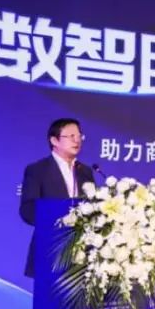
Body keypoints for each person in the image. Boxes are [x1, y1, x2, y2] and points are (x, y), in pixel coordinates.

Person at [20, 117, 96, 277]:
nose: (77, 140)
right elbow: (27, 210)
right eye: (71, 136)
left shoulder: (85, 171)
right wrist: (60, 213)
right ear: (54, 140)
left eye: (79, 136)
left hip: (82, 255)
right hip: (50, 250)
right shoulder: (37, 170)